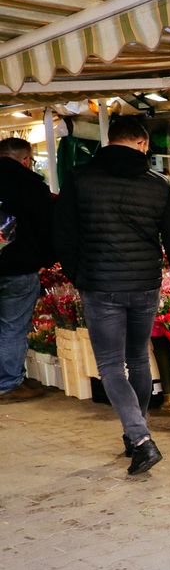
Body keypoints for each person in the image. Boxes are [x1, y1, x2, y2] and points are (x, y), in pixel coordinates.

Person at [54, 117, 170, 475]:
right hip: (145, 284)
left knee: (112, 366)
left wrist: (80, 275)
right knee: (139, 359)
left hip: (101, 285)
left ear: (110, 140)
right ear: (142, 144)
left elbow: (64, 236)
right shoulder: (158, 185)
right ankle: (136, 433)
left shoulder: (80, 179)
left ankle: (141, 439)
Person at [0, 137, 54, 403]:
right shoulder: (32, 186)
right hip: (18, 268)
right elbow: (47, 228)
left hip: (15, 265)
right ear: (25, 160)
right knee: (12, 326)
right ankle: (7, 384)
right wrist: (47, 259)